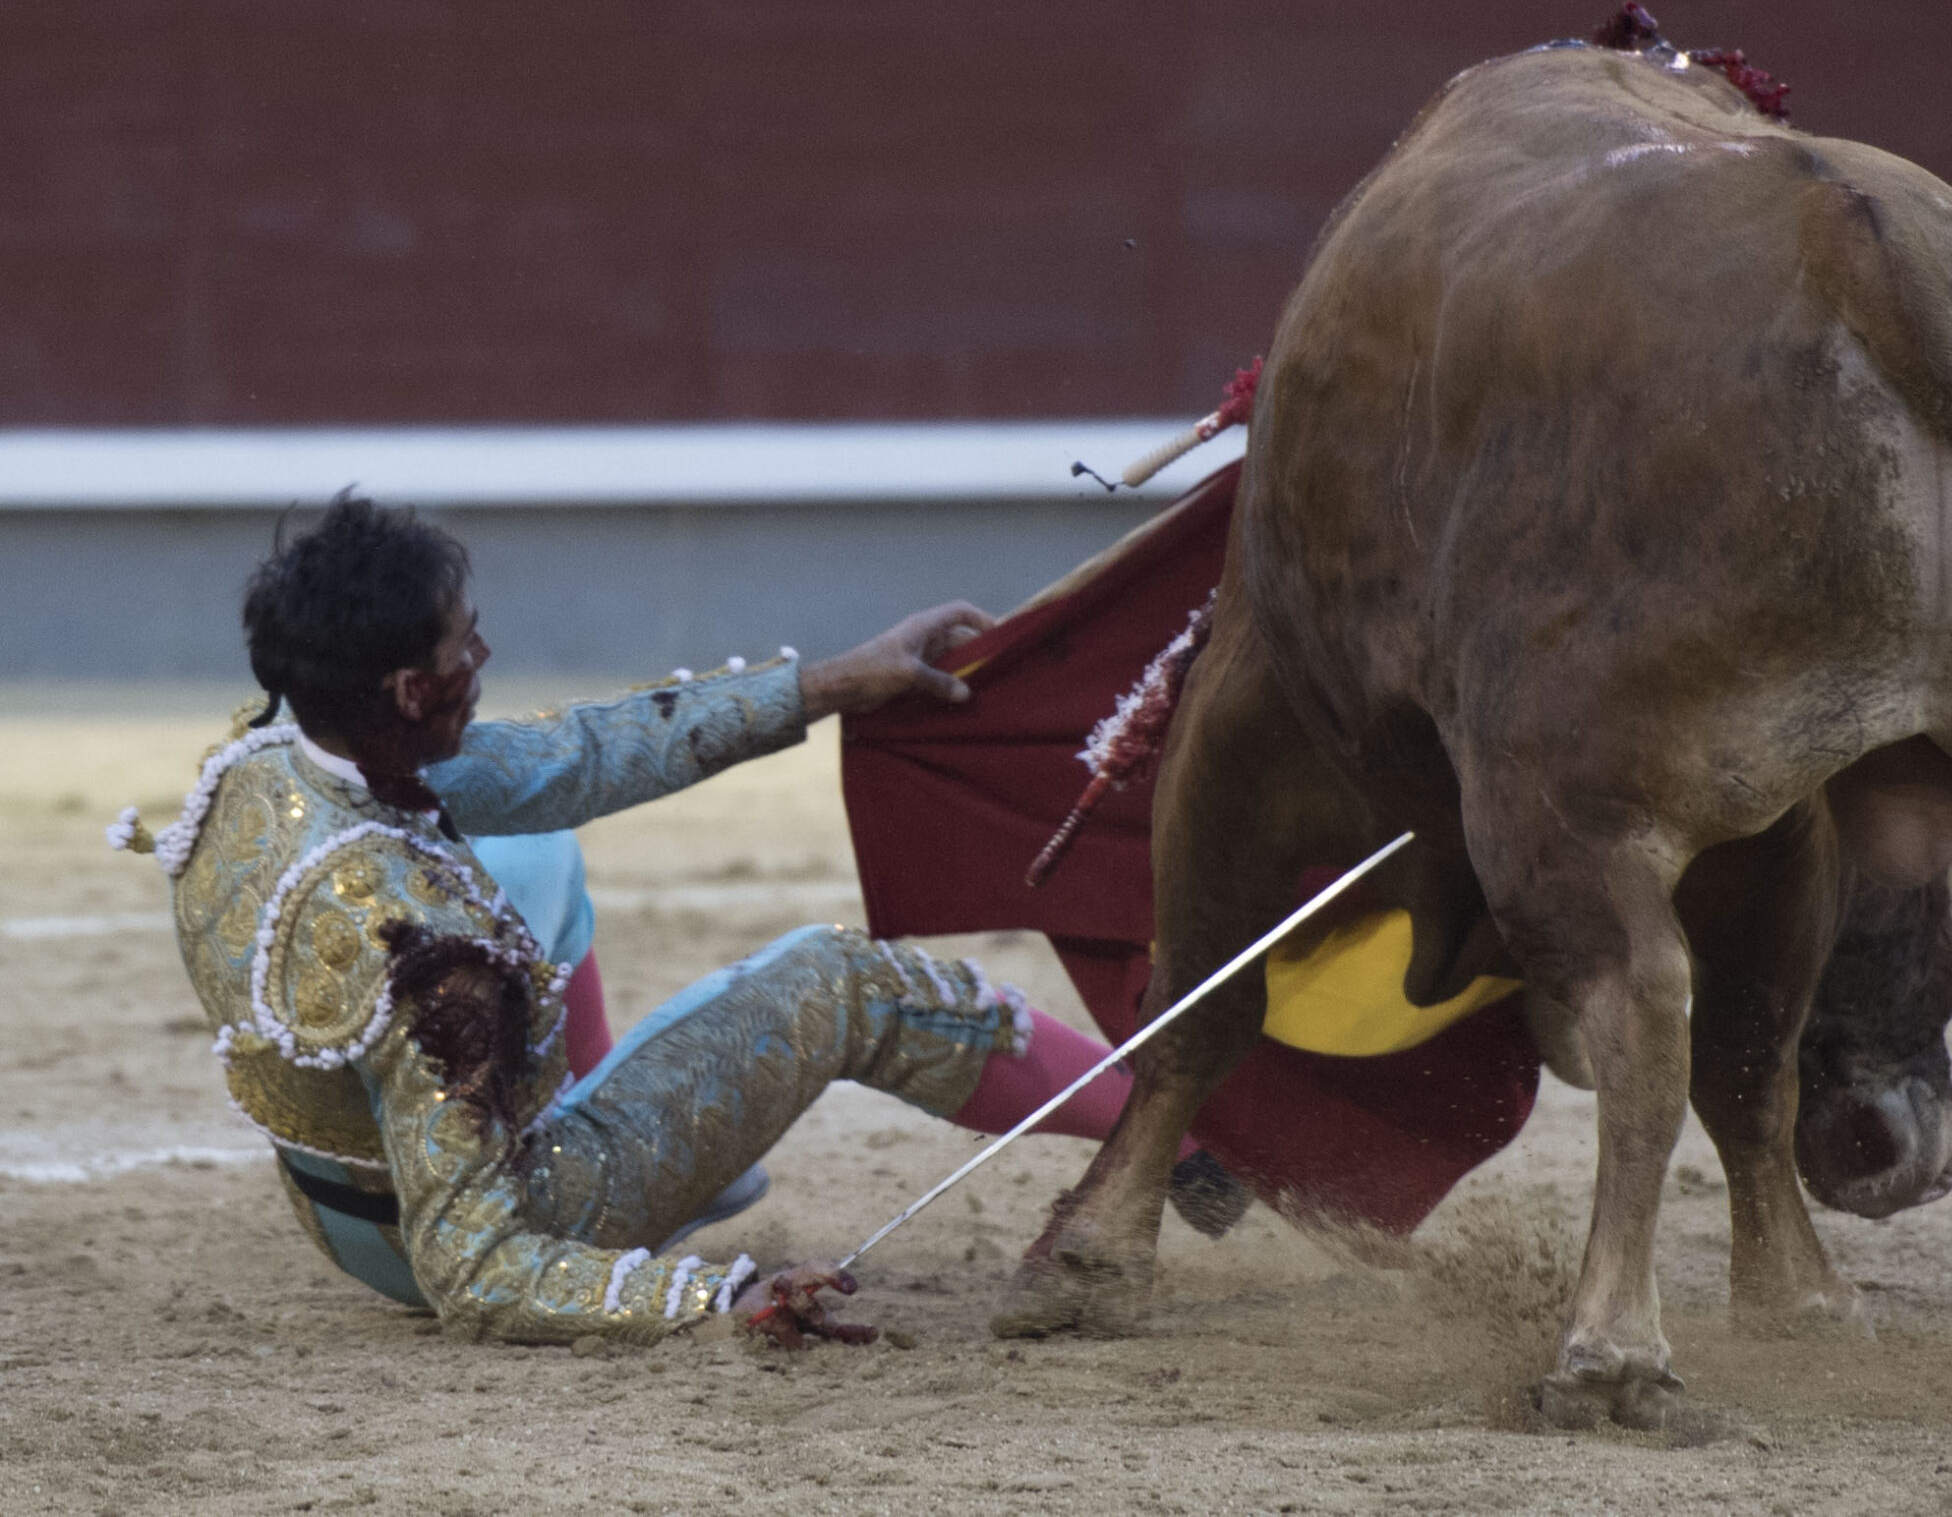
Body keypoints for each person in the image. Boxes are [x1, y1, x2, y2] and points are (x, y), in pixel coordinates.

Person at [113, 493, 1235, 1345]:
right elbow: (478, 1271)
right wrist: (714, 1295)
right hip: (470, 1229)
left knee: (539, 844)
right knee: (846, 979)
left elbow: (573, 758)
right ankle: (1181, 1139)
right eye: (465, 644)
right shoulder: (428, 952)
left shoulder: (265, 764)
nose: (484, 657)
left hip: (346, 1212)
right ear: (410, 689)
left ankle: (620, 1123)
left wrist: (834, 682)